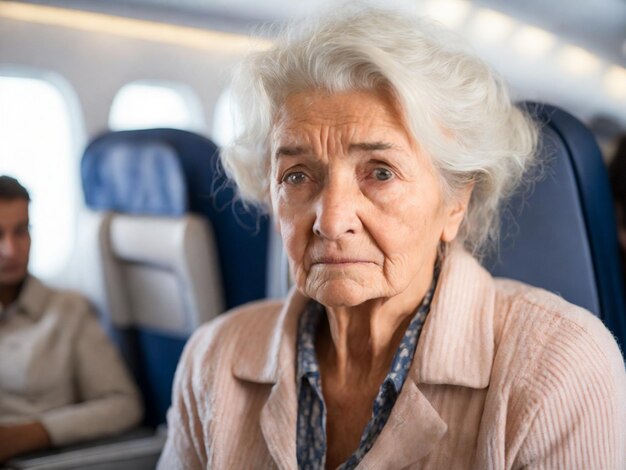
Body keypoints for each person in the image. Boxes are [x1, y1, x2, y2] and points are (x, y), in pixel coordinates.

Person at [159, 7, 626, 469]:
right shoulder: (212, 359)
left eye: (380, 173)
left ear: (456, 201)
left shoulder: (560, 369)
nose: (331, 219)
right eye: (298, 176)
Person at [0, 176, 143, 462]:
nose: (11, 250)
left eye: (21, 231)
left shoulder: (67, 310)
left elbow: (123, 405)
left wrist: (31, 433)